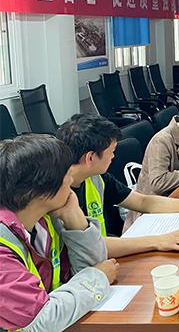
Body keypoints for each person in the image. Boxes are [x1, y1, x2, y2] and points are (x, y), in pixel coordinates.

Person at [56, 114, 179, 258]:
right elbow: (91, 245)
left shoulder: (96, 177)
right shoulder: (57, 194)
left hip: (101, 258)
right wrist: (157, 241)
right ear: (90, 158)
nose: (113, 157)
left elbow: (143, 202)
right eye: (112, 152)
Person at [0, 134, 119, 331]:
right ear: (42, 188)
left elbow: (93, 267)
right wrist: (98, 279)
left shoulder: (45, 219)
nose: (71, 180)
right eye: (66, 174)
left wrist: (75, 218)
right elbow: (42, 321)